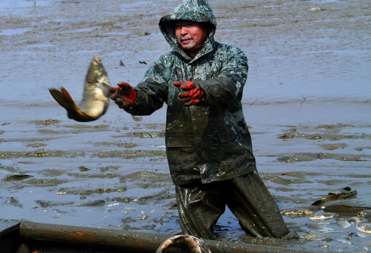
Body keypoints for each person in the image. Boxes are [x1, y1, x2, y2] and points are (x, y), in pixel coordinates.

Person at [110, 0, 293, 240]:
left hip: (231, 159)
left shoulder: (231, 55)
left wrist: (202, 91)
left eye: (188, 25)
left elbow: (229, 85)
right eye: (177, 26)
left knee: (275, 236)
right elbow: (150, 96)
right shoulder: (166, 64)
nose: (182, 32)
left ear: (207, 27)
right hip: (188, 165)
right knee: (196, 244)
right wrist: (133, 98)